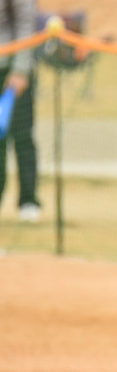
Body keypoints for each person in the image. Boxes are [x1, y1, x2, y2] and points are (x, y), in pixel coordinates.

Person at [0, 0, 40, 222]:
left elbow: (26, 23)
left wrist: (20, 69)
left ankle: (28, 200)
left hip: (11, 69)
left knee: (22, 137)